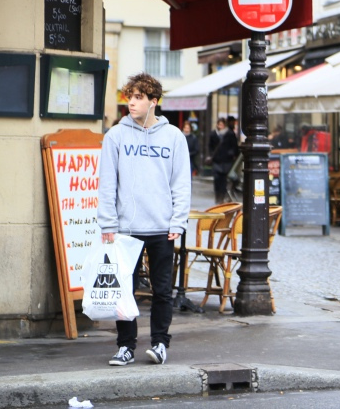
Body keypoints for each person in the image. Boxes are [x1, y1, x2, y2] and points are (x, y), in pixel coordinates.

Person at [97, 72, 191, 366]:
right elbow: (107, 183)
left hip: (163, 228)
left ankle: (160, 344)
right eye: (130, 97)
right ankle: (125, 346)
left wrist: (178, 222)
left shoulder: (174, 137)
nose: (132, 103)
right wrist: (108, 223)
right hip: (126, 228)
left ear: (154, 101)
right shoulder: (115, 136)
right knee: (124, 291)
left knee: (163, 290)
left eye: (139, 97)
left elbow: (181, 183)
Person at [208, 118, 240, 204]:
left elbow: (234, 146)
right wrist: (211, 155)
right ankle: (218, 197)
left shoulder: (229, 134)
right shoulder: (213, 134)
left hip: (226, 161)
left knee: (224, 181)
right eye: (219, 125)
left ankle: (222, 197)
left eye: (222, 125)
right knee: (217, 180)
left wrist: (231, 154)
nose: (220, 127)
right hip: (217, 160)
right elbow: (210, 146)